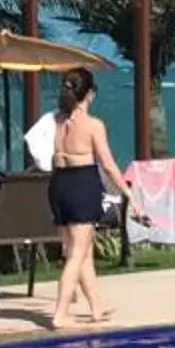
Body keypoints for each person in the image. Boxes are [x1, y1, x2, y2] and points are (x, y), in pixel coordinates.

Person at [47, 68, 131, 328]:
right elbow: (108, 164)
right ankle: (61, 313)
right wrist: (129, 194)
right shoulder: (93, 125)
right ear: (90, 95)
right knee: (77, 254)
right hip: (81, 184)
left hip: (59, 184)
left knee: (84, 252)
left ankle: (97, 306)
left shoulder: (58, 121)